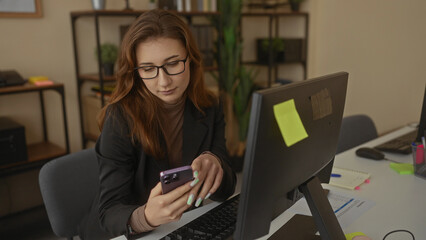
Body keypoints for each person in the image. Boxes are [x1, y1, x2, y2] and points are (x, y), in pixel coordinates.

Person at [79, 9, 237, 239]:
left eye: (173, 64)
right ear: (136, 71)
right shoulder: (120, 117)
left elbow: (228, 187)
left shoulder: (210, 106)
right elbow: (109, 212)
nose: (163, 81)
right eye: (148, 69)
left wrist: (217, 167)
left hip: (181, 227)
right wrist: (146, 217)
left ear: (191, 60)